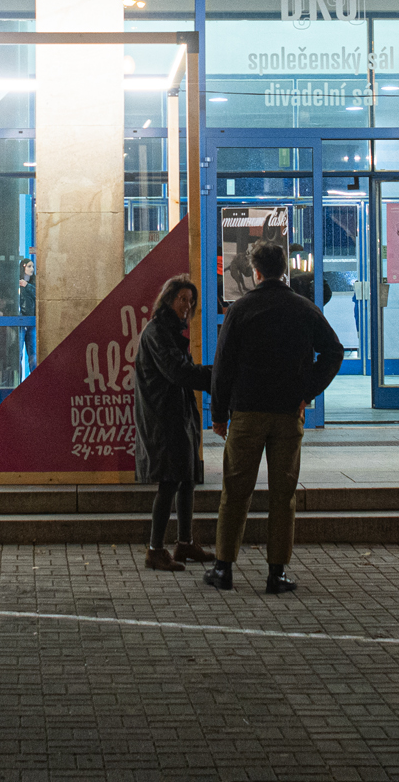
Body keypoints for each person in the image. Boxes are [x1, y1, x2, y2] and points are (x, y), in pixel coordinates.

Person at [206, 240, 344, 594]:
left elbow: (223, 366)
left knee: (235, 491)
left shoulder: (240, 309)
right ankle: (277, 573)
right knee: (283, 495)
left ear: (255, 272)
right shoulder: (303, 308)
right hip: (287, 413)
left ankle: (223, 568)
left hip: (247, 412)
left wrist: (218, 414)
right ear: (284, 270)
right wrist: (307, 392)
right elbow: (333, 351)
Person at [133, 275, 213, 571]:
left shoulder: (173, 330)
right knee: (169, 482)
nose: (187, 306)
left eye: (191, 301)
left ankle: (184, 543)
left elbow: (183, 371)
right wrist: (217, 376)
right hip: (163, 417)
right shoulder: (157, 332)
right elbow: (178, 372)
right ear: (168, 299)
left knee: (187, 478)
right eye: (182, 299)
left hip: (179, 414)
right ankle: (155, 550)